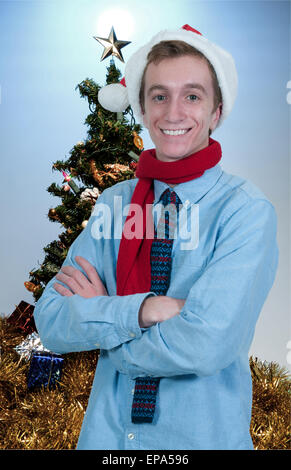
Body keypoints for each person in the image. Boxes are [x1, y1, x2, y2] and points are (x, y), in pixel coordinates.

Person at [33, 25, 278, 450]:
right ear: (143, 109)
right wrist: (148, 310)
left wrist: (107, 330)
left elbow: (206, 344)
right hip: (106, 440)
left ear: (217, 112)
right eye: (159, 95)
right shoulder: (115, 204)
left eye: (193, 96)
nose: (173, 113)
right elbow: (52, 320)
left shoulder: (245, 212)